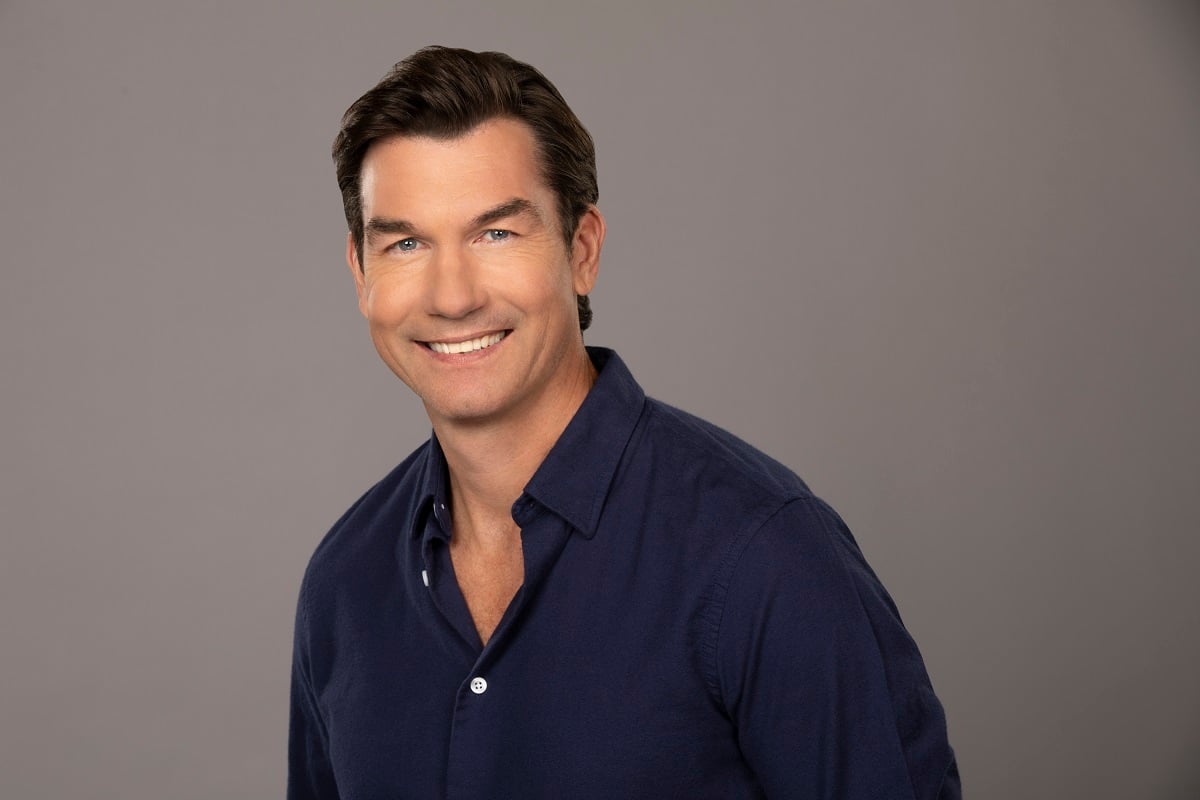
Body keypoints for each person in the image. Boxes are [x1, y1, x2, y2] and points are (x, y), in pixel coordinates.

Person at [288, 46, 960, 800]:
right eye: (406, 243)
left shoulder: (764, 557)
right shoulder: (344, 586)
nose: (452, 296)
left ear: (581, 251)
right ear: (361, 272)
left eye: (496, 234)